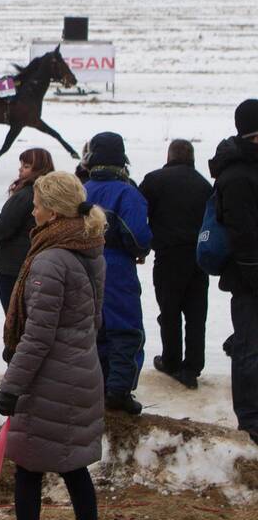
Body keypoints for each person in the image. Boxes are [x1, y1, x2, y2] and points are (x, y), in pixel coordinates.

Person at [0, 170, 108, 520]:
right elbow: (92, 320)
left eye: (38, 204)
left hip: (49, 380)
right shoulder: (89, 245)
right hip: (81, 371)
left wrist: (12, 386)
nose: (33, 211)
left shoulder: (49, 259)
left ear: (54, 210)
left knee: (28, 469)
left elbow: (38, 335)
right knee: (74, 467)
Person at [83, 132, 152, 415]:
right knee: (125, 329)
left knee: (93, 329)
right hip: (116, 268)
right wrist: (139, 250)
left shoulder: (81, 189)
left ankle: (98, 387)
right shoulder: (126, 192)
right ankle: (119, 390)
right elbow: (138, 235)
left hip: (83, 265)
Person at [138, 139, 213, 389]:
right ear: (192, 157)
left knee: (169, 311)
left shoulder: (154, 180)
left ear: (169, 156)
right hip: (198, 257)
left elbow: (138, 212)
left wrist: (142, 245)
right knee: (196, 313)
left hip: (168, 255)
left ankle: (170, 361)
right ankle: (192, 366)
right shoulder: (204, 184)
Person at [209, 99, 258, 446]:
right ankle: (252, 421)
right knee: (249, 349)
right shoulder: (239, 174)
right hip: (249, 277)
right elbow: (243, 233)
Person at [0, 148, 55, 310]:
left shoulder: (26, 194)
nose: (20, 169)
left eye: (27, 166)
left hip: (15, 264)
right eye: (21, 164)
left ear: (39, 169)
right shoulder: (50, 192)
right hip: (40, 261)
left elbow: (3, 227)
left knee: (14, 317)